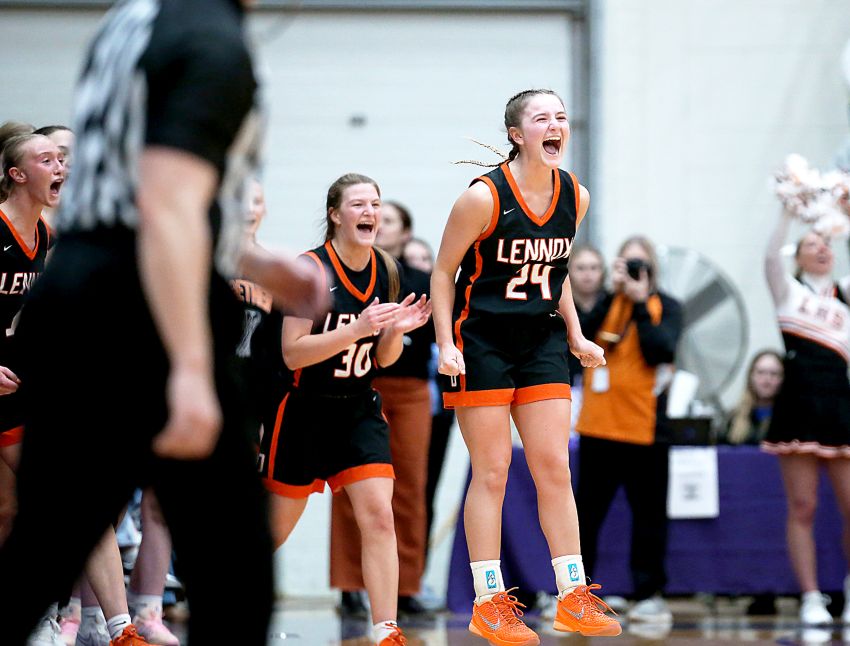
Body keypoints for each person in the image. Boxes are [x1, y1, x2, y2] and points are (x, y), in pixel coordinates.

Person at [0, 0, 327, 644]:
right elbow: (165, 203)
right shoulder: (209, 37)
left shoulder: (133, 18)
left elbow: (137, 188)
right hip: (142, 307)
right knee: (235, 567)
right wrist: (191, 367)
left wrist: (255, 261)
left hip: (79, 295)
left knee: (41, 551)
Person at [432, 88, 621, 644]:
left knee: (555, 468)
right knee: (492, 471)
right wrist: (445, 342)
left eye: (562, 115)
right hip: (482, 340)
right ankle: (488, 600)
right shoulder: (483, 198)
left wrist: (577, 334)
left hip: (540, 342)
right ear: (518, 134)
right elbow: (444, 273)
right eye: (543, 118)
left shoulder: (576, 196)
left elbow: (556, 272)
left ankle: (572, 594)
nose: (556, 124)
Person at [259, 173, 431, 646]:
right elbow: (293, 352)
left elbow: (383, 359)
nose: (370, 212)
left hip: (358, 409)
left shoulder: (390, 271)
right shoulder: (310, 270)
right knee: (273, 529)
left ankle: (386, 629)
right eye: (358, 204)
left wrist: (396, 331)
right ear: (335, 214)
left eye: (375, 203)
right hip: (303, 411)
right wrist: (356, 329)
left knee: (379, 516)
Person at [330, 200, 435, 619]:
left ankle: (407, 587)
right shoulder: (351, 275)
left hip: (409, 391)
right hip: (356, 385)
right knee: (348, 486)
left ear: (405, 232)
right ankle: (350, 586)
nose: (377, 221)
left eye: (389, 218)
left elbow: (433, 337)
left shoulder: (422, 280)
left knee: (408, 487)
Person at [574, 236, 682, 626]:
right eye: (628, 265)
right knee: (586, 516)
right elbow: (580, 340)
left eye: (642, 265)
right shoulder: (605, 303)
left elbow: (660, 350)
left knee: (649, 516)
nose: (636, 272)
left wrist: (638, 301)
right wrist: (613, 295)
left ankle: (648, 593)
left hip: (645, 429)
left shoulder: (666, 306)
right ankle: (577, 592)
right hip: (598, 428)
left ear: (653, 268)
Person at [762, 205, 850, 626]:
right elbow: (768, 258)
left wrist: (844, 215)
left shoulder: (846, 294)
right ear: (797, 256)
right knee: (803, 505)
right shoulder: (788, 292)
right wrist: (788, 213)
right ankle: (811, 597)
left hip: (840, 403)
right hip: (798, 403)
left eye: (826, 244)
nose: (821, 249)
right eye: (810, 244)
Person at [566, 245, 607, 431]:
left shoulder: (612, 302)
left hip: (605, 388)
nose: (587, 274)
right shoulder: (558, 305)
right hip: (566, 385)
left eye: (593, 268)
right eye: (581, 268)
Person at [721, 349, 784, 446]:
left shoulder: (792, 421)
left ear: (783, 378)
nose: (767, 380)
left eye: (774, 374)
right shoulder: (733, 418)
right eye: (760, 372)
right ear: (751, 376)